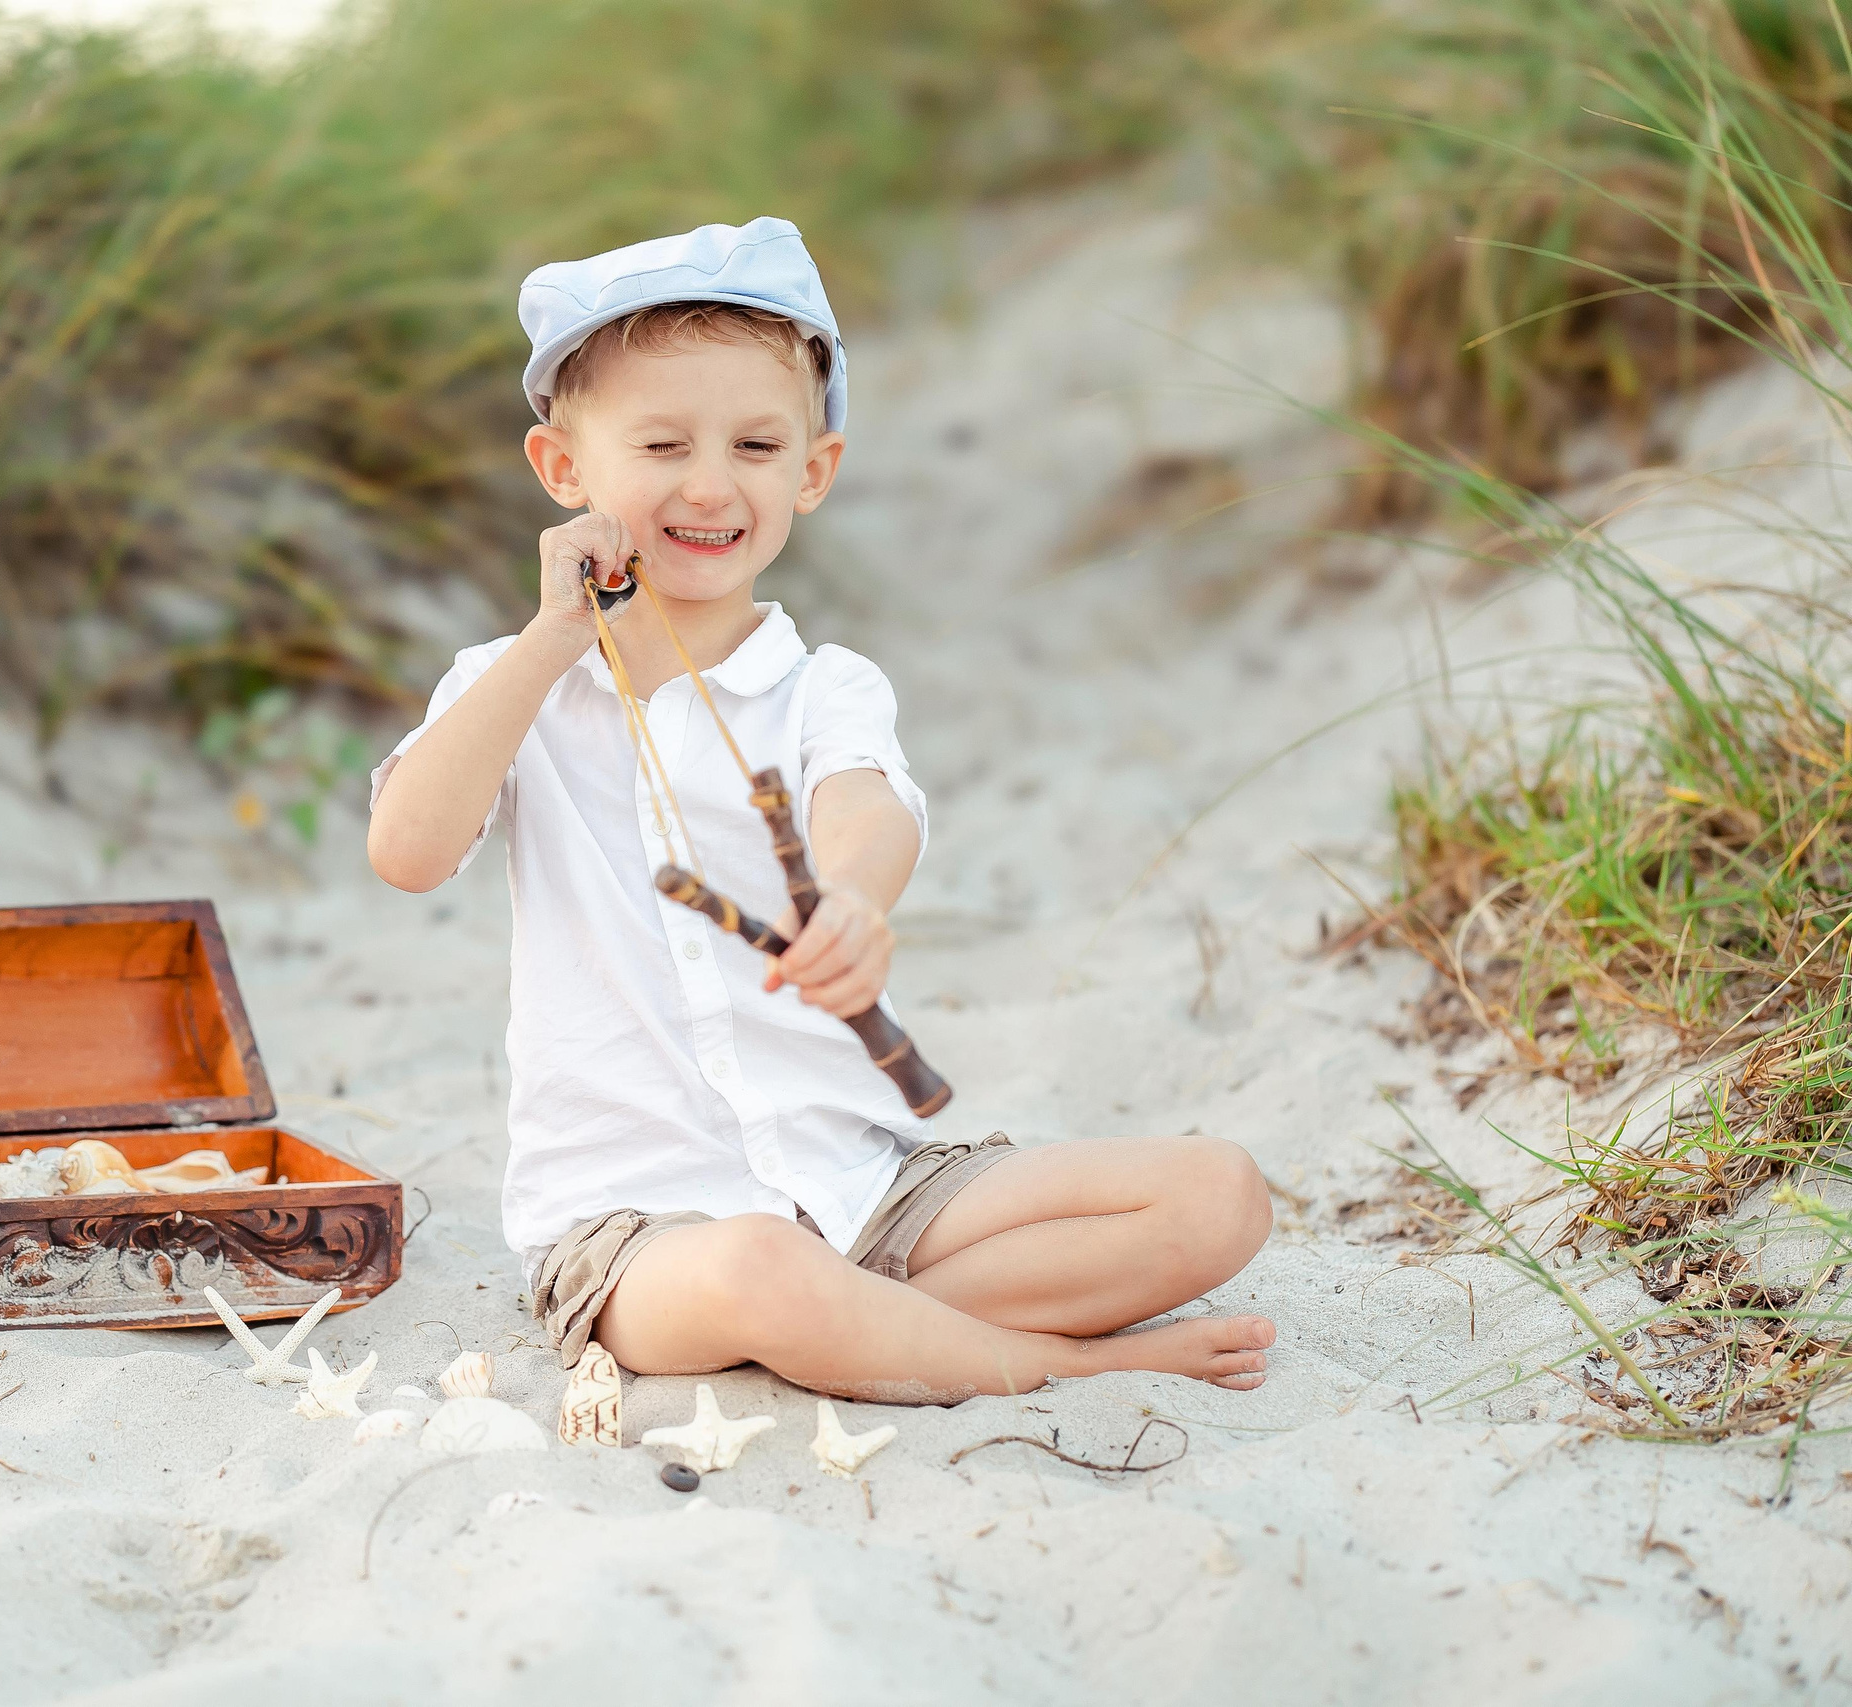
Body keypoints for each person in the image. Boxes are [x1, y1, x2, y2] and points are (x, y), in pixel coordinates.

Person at [366, 218, 1274, 1401]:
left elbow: (865, 805)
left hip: (860, 1181)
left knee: (1218, 1192)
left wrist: (849, 895)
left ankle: (879, 1330)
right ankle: (1039, 1360)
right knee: (760, 1270)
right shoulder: (509, 686)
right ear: (564, 472)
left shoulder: (820, 686)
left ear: (812, 471)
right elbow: (409, 852)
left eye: (754, 444)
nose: (710, 483)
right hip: (643, 1234)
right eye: (660, 443)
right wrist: (552, 639)